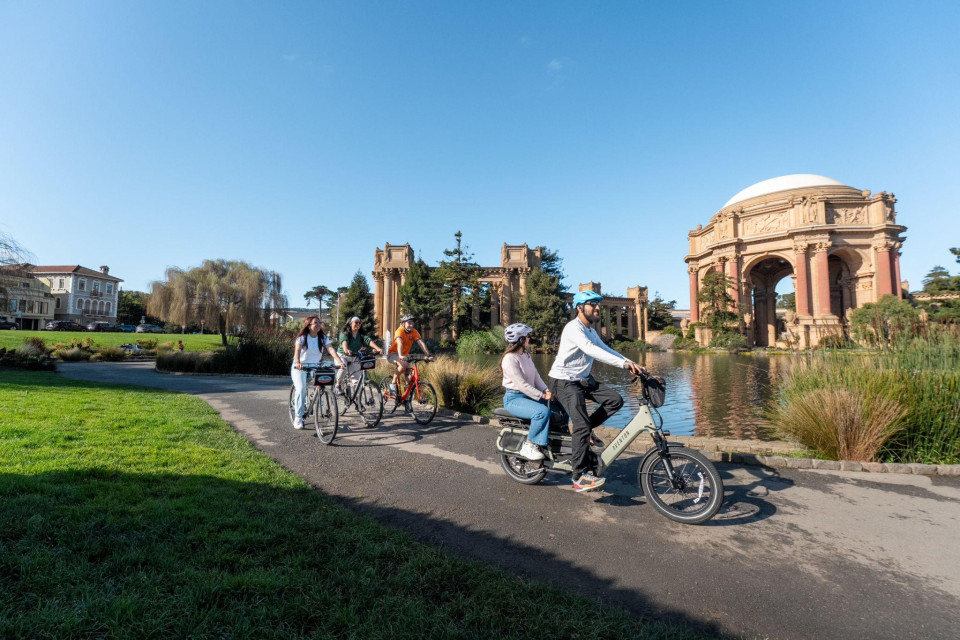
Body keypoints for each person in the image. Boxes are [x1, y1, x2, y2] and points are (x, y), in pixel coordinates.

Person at [548, 291, 644, 492]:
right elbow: (592, 351)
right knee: (581, 426)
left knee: (615, 400)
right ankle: (578, 477)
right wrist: (623, 365)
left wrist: (630, 362)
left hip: (582, 380)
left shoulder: (590, 330)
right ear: (579, 308)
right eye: (592, 304)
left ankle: (583, 431)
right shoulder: (573, 328)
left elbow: (605, 349)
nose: (598, 308)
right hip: (564, 381)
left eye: (598, 304)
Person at [500, 323, 567, 461]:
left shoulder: (526, 355)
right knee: (541, 412)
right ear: (520, 340)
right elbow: (521, 385)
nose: (530, 339)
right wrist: (542, 395)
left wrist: (546, 390)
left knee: (560, 406)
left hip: (529, 396)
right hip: (514, 399)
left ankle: (560, 441)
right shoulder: (509, 359)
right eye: (528, 336)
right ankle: (528, 445)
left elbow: (536, 376)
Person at [291, 316, 343, 430]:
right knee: (300, 389)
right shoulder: (302, 337)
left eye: (320, 322)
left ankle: (314, 397)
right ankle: (298, 418)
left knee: (322, 381)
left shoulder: (322, 337)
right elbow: (297, 351)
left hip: (315, 365)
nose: (318, 324)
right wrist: (298, 362)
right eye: (316, 323)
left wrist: (339, 361)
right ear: (309, 325)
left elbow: (330, 349)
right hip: (300, 366)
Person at [386, 314, 432, 394]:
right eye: (409, 323)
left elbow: (421, 343)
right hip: (393, 354)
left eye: (412, 323)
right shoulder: (399, 331)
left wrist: (428, 355)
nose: (411, 325)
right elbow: (399, 343)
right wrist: (400, 355)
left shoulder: (414, 332)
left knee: (411, 376)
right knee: (403, 365)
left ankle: (406, 398)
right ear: (403, 323)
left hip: (405, 356)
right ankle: (393, 383)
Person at [336, 316, 383, 392]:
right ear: (350, 323)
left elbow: (368, 341)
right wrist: (346, 349)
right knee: (343, 369)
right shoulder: (345, 333)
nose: (358, 324)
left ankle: (358, 400)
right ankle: (338, 385)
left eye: (359, 323)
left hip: (354, 356)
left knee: (357, 381)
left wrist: (377, 348)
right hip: (342, 355)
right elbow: (344, 342)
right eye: (356, 322)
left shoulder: (361, 334)